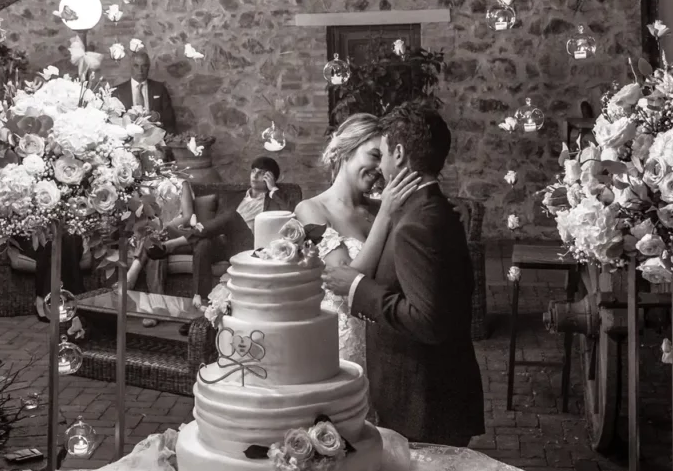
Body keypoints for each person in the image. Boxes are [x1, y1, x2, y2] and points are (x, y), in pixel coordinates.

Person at [322, 105, 485, 447]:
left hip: (424, 401)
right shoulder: (430, 210)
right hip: (429, 394)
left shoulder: (416, 224)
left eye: (382, 154)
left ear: (399, 153)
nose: (381, 167)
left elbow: (427, 320)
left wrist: (357, 287)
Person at [294, 113, 419, 374]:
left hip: (388, 338)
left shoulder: (381, 208)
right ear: (346, 150)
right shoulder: (312, 209)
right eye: (374, 155)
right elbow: (344, 278)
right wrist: (386, 213)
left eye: (382, 159)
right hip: (343, 344)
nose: (379, 168)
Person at [149, 156, 292, 301]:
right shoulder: (234, 198)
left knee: (232, 216)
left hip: (250, 246)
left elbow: (288, 216)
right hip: (225, 244)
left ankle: (173, 244)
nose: (254, 176)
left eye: (261, 173)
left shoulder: (274, 199)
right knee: (203, 244)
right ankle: (201, 300)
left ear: (270, 178)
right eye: (253, 171)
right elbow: (218, 224)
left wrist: (273, 188)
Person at [113, 50, 177, 135]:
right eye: (136, 66)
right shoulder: (118, 91)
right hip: (128, 139)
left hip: (155, 137)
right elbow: (112, 119)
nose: (140, 70)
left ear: (149, 67)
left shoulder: (159, 88)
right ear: (130, 67)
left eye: (144, 66)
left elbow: (170, 116)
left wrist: (158, 116)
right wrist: (127, 118)